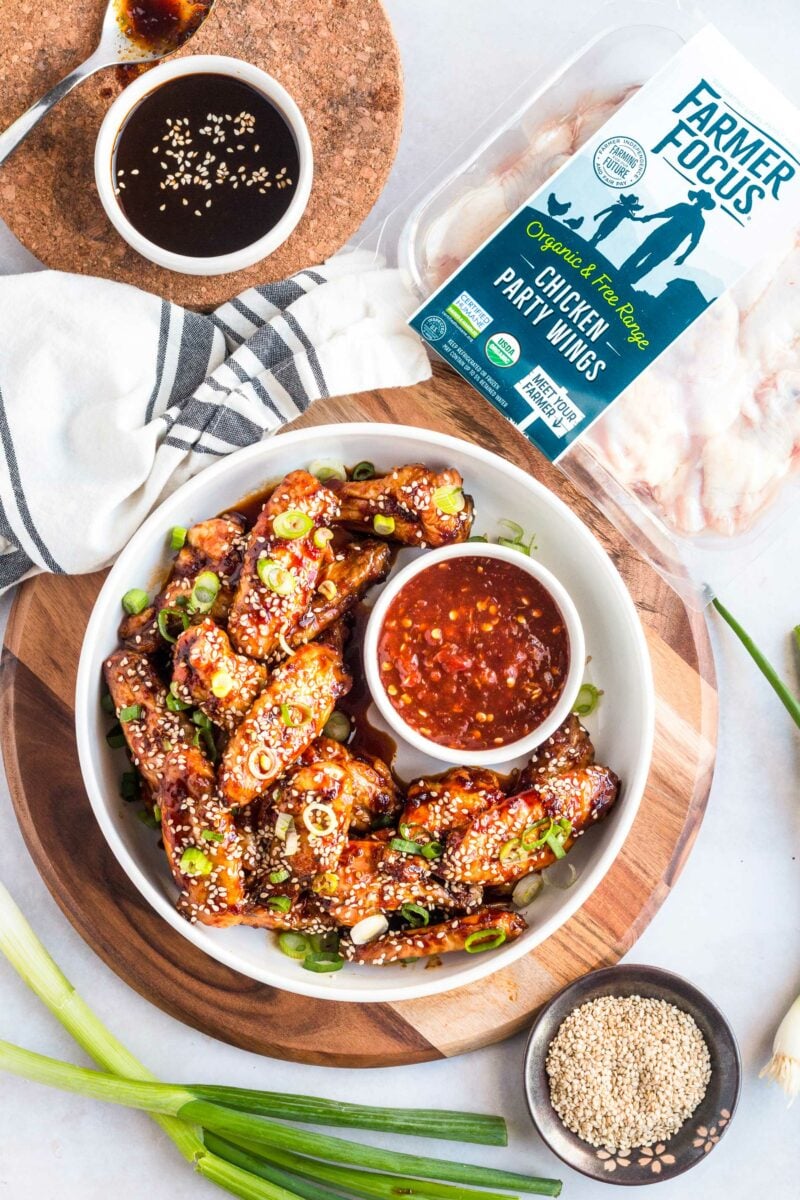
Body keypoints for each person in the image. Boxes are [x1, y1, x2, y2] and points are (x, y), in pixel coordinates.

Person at [618, 189, 716, 285]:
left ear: (703, 205)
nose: (700, 202)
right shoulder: (685, 208)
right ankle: (622, 274)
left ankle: (628, 280)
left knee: (649, 262)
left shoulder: (699, 220)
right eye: (701, 199)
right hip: (661, 236)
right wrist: (650, 217)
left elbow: (694, 242)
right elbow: (666, 214)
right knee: (641, 254)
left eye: (703, 201)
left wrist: (684, 256)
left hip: (668, 243)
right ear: (698, 199)